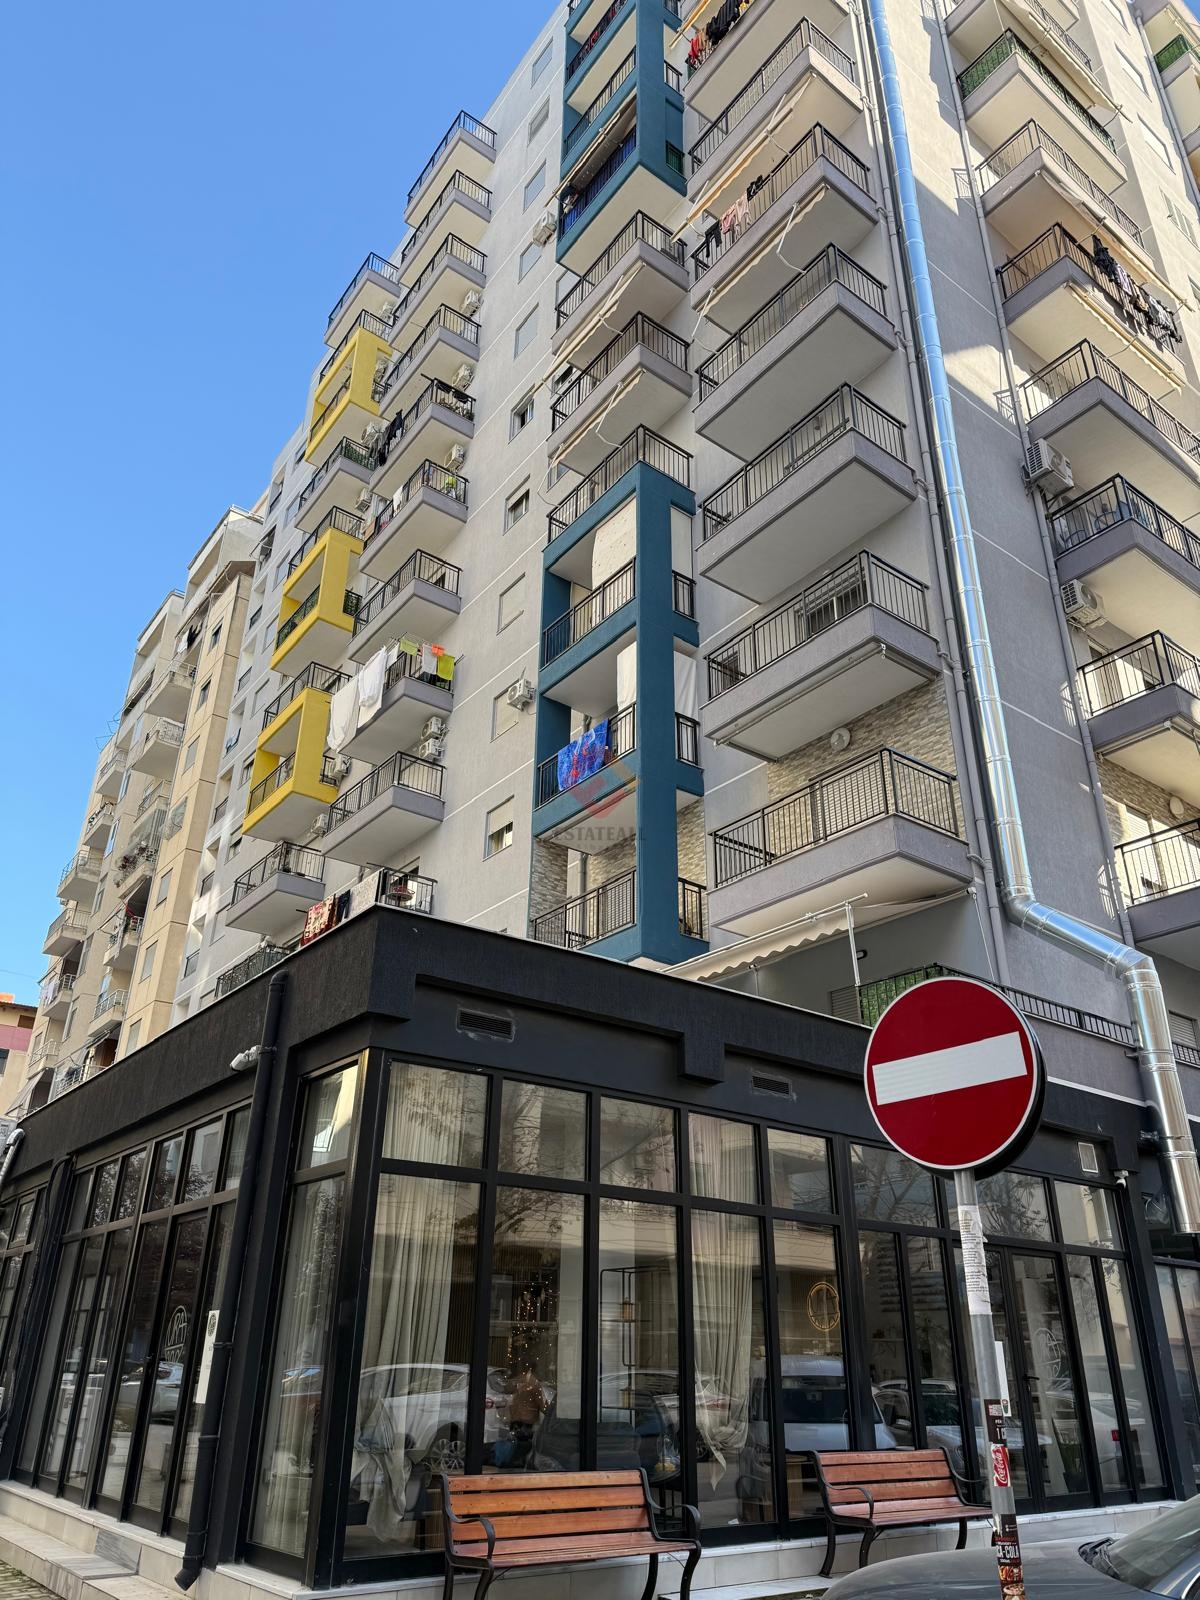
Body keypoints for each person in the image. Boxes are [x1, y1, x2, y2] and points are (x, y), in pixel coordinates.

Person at [506, 1360, 548, 1466]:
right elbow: (542, 1404)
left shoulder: (519, 1380)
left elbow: (508, 1389)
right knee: (524, 1446)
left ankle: (513, 1462)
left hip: (515, 1417)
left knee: (515, 1443)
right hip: (527, 1419)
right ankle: (520, 1464)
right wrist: (550, 1411)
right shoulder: (534, 1383)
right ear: (534, 1369)